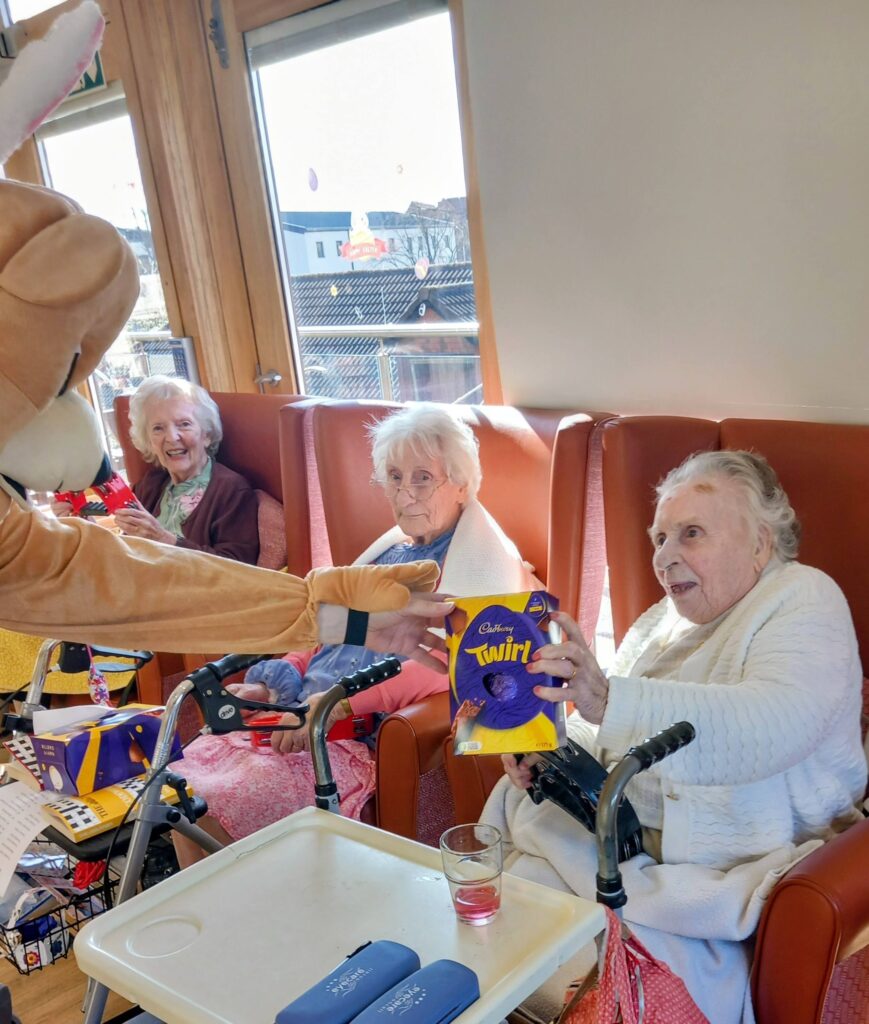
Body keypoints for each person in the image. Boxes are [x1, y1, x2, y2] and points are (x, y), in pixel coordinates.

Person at [484, 450, 867, 1024]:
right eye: (659, 538)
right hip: (620, 847)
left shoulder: (804, 597)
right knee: (497, 937)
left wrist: (607, 697)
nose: (665, 557)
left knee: (552, 963)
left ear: (761, 543)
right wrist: (547, 749)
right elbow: (605, 728)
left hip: (720, 866)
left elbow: (771, 725)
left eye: (691, 534)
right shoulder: (663, 619)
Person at [172, 404, 537, 866]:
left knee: (216, 805)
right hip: (294, 714)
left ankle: (247, 913)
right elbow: (326, 629)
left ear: (462, 483)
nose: (404, 493)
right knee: (179, 791)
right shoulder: (390, 552)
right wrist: (275, 677)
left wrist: (334, 705)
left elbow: (448, 666)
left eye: (422, 477)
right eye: (394, 476)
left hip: (347, 737)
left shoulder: (482, 566)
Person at [52, 376, 259, 564]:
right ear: (149, 441)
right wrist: (84, 525)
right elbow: (129, 553)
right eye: (158, 428)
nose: (172, 437)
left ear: (206, 435)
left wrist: (163, 538)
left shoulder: (231, 490)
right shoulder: (150, 485)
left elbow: (239, 568)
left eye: (184, 424)